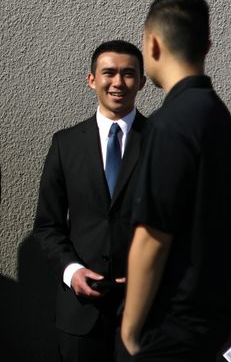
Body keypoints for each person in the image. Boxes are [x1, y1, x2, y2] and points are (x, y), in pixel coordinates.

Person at [120, 0, 231, 361]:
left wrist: (130, 330)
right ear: (207, 45)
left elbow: (152, 237)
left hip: (168, 327)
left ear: (152, 44)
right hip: (210, 320)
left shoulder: (169, 125)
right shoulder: (224, 124)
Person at [33, 40, 147, 362]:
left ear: (142, 81)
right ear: (91, 79)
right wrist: (72, 270)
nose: (118, 82)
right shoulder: (65, 144)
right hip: (79, 314)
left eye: (128, 74)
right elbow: (47, 226)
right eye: (108, 72)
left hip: (145, 312)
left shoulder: (162, 142)